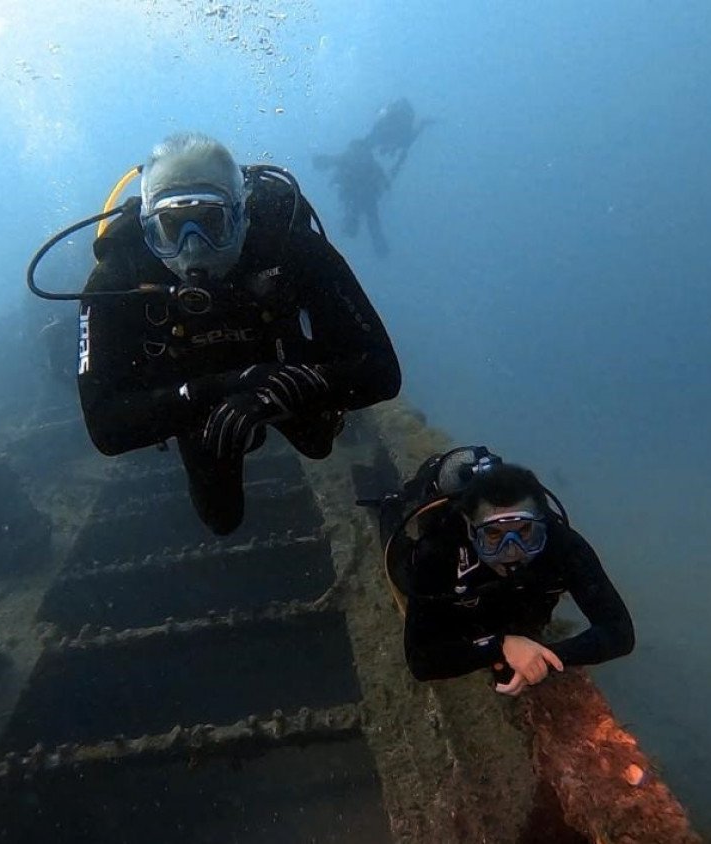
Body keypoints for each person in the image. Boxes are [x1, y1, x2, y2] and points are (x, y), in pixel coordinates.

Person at [77, 132, 401, 535]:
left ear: (242, 214)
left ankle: (297, 411)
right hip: (196, 395)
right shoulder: (117, 278)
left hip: (281, 369)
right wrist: (220, 389)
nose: (193, 248)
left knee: (317, 444)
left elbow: (383, 372)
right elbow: (106, 428)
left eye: (212, 223)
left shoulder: (289, 245)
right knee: (221, 518)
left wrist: (278, 391)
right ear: (148, 228)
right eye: (171, 227)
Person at [373, 446, 633, 695]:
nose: (512, 550)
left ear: (543, 523)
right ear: (469, 526)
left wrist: (542, 656)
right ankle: (390, 505)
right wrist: (500, 646)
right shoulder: (441, 550)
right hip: (450, 579)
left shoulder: (563, 545)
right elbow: (421, 661)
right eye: (494, 534)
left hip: (509, 605)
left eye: (524, 532)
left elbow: (619, 631)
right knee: (400, 569)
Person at [312, 139, 391, 258]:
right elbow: (382, 177)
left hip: (355, 196)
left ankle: (348, 238)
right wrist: (385, 184)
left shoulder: (348, 157)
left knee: (360, 221)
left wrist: (320, 160)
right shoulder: (366, 160)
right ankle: (379, 248)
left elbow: (329, 161)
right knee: (371, 222)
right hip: (365, 196)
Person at [362, 97, 435, 178]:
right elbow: (403, 154)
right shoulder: (384, 135)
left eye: (385, 150)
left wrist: (396, 168)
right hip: (396, 123)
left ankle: (386, 109)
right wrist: (396, 168)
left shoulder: (400, 138)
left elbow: (404, 154)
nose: (384, 151)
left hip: (397, 124)